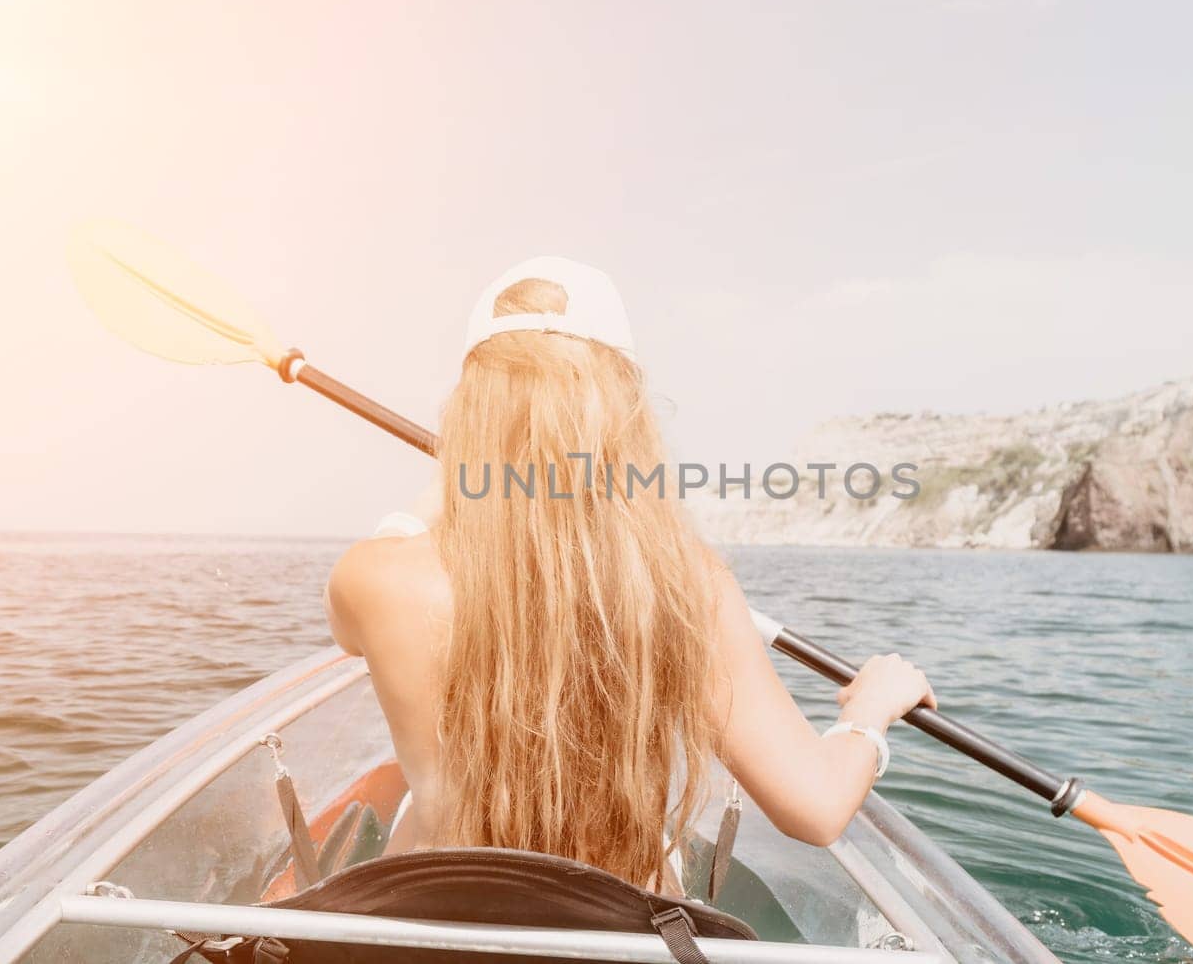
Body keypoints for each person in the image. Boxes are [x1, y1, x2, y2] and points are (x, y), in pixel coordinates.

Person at [326, 257, 936, 893]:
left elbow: (353, 626)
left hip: (430, 924)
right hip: (614, 931)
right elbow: (814, 808)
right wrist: (870, 710)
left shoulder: (373, 577)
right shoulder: (685, 586)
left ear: (469, 410)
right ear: (625, 414)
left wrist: (453, 482)